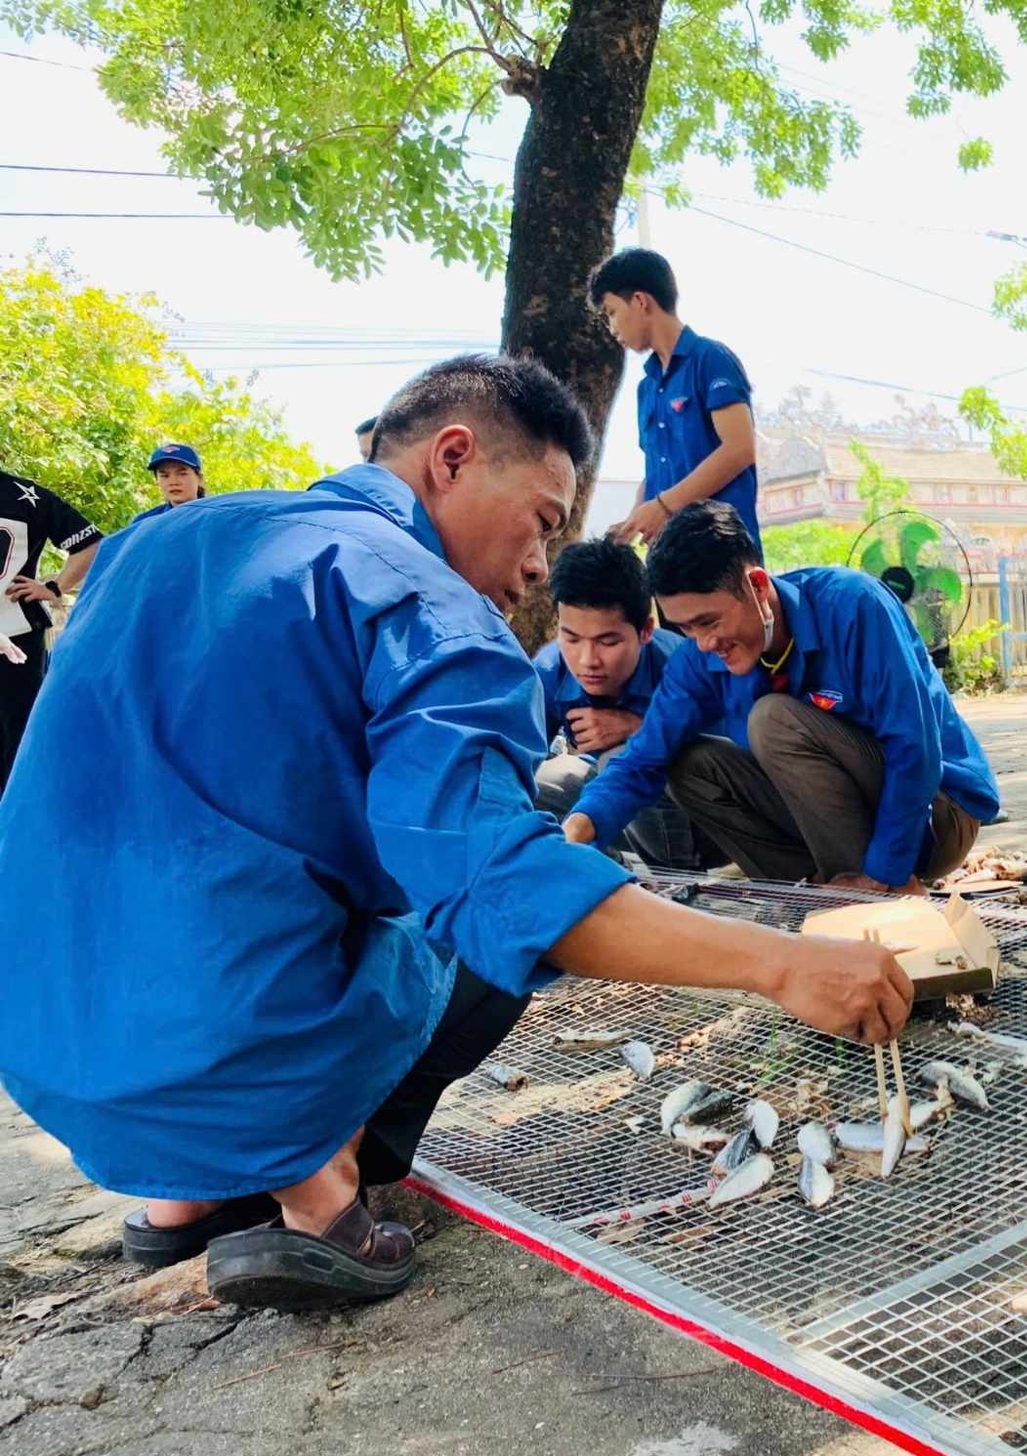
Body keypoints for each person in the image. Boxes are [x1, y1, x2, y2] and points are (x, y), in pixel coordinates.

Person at [0, 355, 913, 1312]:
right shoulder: (426, 605)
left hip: (43, 1037)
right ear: (453, 457)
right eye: (543, 522)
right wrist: (782, 964)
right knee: (475, 928)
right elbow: (495, 885)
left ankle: (180, 1201)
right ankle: (318, 1188)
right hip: (227, 1044)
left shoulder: (156, 543)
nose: (538, 566)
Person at [563, 501, 999, 892]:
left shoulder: (854, 607)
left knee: (772, 719)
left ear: (756, 584)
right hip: (833, 824)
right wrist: (576, 831)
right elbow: (642, 759)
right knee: (690, 765)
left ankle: (871, 892)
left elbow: (915, 750)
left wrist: (886, 871)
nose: (703, 643)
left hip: (936, 817)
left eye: (709, 621)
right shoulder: (701, 659)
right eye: (687, 629)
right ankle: (810, 889)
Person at [531, 535, 699, 869]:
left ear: (645, 631)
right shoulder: (548, 672)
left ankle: (676, 880)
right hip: (607, 806)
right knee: (533, 788)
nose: (587, 660)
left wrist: (639, 728)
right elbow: (519, 761)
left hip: (699, 820)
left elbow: (728, 757)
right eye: (572, 638)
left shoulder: (681, 663)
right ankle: (609, 867)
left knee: (619, 758)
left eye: (607, 641)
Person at [589, 248, 761, 555]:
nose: (612, 329)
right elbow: (656, 470)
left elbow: (739, 448)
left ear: (640, 301)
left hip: (723, 551)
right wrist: (633, 521)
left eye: (612, 313)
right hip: (670, 560)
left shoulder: (711, 359)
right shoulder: (646, 388)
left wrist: (664, 505)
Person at [0, 467, 102, 791]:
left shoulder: (27, 497)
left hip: (17, 634)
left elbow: (91, 543)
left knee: (20, 736)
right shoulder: (26, 495)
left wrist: (54, 586)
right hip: (17, 632)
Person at [129, 442, 206, 523]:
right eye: (165, 476)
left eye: (182, 474)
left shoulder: (215, 514)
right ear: (157, 480)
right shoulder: (145, 522)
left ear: (199, 478)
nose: (173, 482)